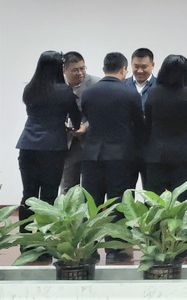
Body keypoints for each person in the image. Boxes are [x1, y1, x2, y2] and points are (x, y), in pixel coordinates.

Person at [80, 52, 145, 264]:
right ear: (124, 69)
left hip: (92, 155)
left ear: (103, 69)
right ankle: (114, 249)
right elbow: (139, 124)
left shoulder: (88, 93)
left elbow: (88, 118)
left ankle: (90, 249)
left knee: (92, 203)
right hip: (121, 156)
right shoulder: (130, 93)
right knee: (119, 203)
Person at [16, 51, 81, 261]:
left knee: (28, 195)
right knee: (48, 196)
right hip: (53, 148)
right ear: (58, 67)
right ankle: (46, 245)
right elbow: (76, 119)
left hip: (28, 146)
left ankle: (26, 244)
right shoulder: (64, 91)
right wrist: (70, 127)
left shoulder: (30, 89)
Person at [143, 55, 187, 202]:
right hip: (186, 155)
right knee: (183, 202)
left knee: (156, 202)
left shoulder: (153, 93)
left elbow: (148, 124)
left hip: (157, 155)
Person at [60, 51, 101, 193]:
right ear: (64, 70)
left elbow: (101, 112)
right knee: (68, 185)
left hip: (91, 141)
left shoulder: (96, 84)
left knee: (91, 186)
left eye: (82, 68)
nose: (80, 73)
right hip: (67, 142)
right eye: (75, 70)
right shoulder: (57, 85)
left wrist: (86, 126)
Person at [124, 47, 156, 187]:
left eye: (144, 67)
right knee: (125, 191)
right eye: (136, 66)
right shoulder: (122, 85)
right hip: (127, 148)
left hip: (151, 147)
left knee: (151, 191)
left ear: (153, 65)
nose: (140, 70)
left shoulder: (160, 87)